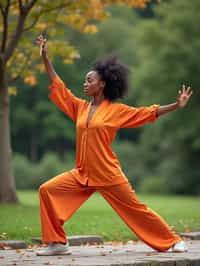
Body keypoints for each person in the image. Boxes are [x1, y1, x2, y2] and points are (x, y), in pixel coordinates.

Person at [35, 34, 192, 256]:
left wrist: (176, 105)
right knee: (47, 190)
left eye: (89, 80)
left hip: (108, 174)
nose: (85, 84)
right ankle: (58, 243)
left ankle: (173, 241)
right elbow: (59, 87)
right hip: (82, 173)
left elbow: (146, 113)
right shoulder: (80, 107)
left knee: (137, 210)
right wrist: (45, 58)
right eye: (85, 80)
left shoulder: (116, 111)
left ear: (102, 84)